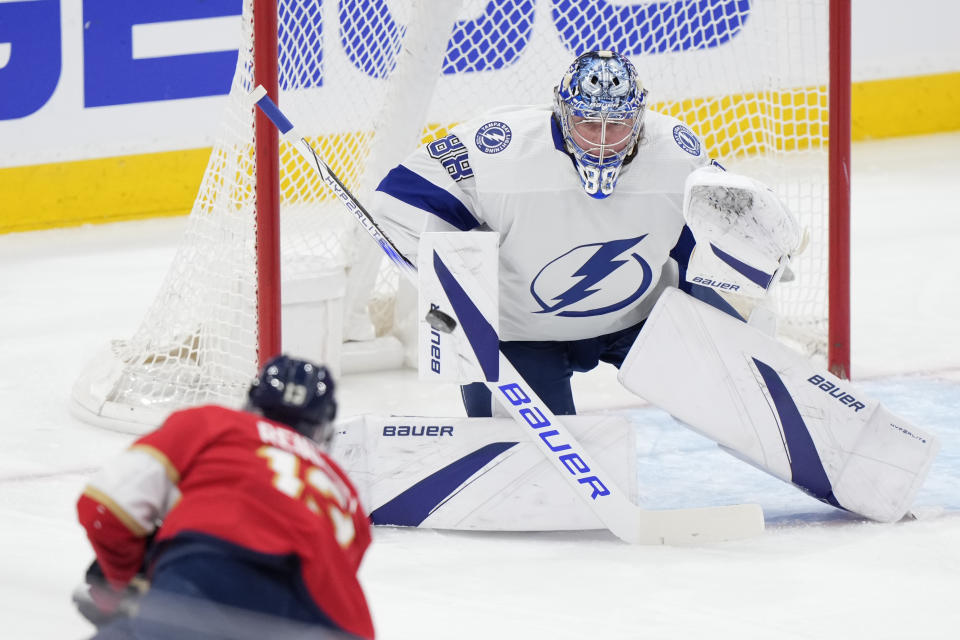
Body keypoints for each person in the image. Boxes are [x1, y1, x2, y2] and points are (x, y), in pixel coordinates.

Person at [369, 49, 750, 417]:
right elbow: (396, 202)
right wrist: (450, 285)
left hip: (641, 322)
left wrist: (739, 293)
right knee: (524, 465)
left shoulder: (676, 154)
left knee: (733, 395)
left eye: (616, 124)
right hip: (519, 339)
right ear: (562, 113)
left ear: (638, 119)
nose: (602, 139)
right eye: (588, 122)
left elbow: (712, 236)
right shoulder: (498, 150)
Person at [74, 355, 374, 640]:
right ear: (324, 427)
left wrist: (126, 581)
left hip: (208, 575)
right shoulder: (344, 490)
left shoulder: (213, 423)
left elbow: (104, 505)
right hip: (330, 622)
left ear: (252, 404)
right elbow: (335, 575)